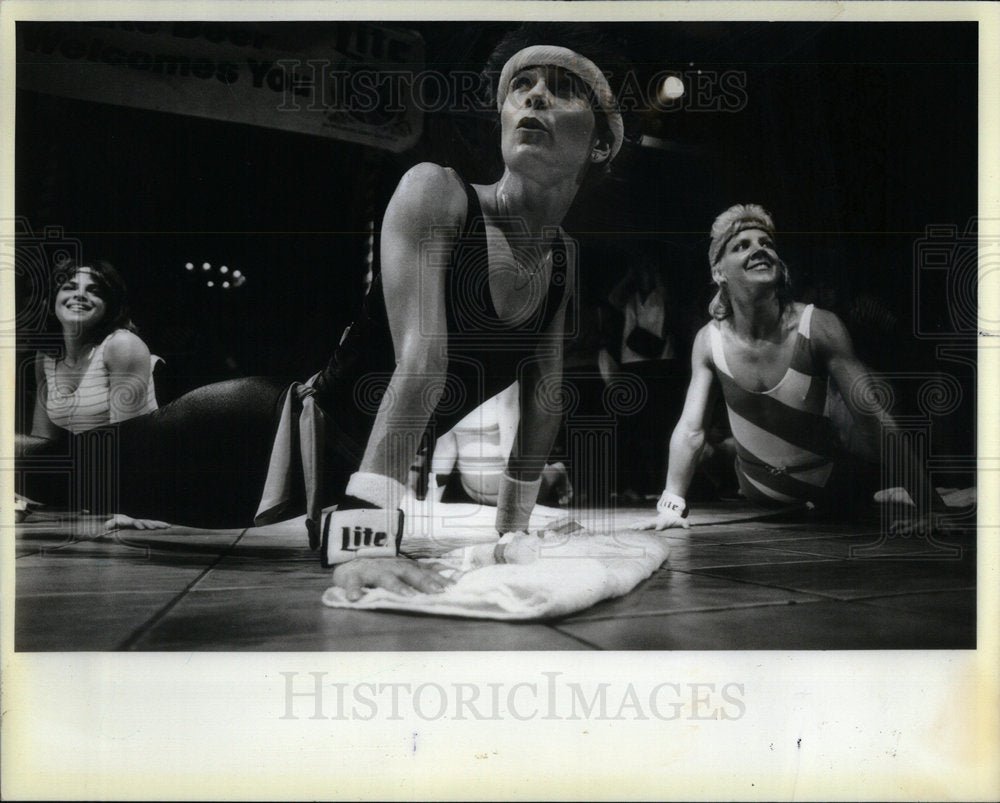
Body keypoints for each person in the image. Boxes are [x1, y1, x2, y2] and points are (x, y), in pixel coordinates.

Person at [17, 27, 627, 599]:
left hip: (336, 481)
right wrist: (367, 531)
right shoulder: (436, 191)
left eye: (565, 87)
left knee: (68, 474)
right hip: (260, 439)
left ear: (602, 141)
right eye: (521, 84)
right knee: (61, 474)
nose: (536, 95)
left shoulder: (562, 261)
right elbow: (422, 362)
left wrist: (512, 535)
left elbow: (545, 398)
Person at [634, 204, 951, 534]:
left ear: (779, 263)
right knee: (719, 449)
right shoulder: (708, 341)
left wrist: (930, 507)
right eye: (742, 246)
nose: (759, 249)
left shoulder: (820, 326)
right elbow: (690, 430)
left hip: (830, 490)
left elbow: (873, 419)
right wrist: (671, 504)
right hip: (755, 490)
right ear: (719, 273)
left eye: (766, 243)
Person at [16, 259, 168, 529]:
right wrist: (22, 494)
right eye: (69, 287)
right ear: (53, 299)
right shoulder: (47, 357)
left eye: (95, 290)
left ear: (109, 305)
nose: (80, 295)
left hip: (145, 477)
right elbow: (43, 445)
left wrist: (133, 506)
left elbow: (130, 439)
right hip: (92, 480)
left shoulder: (122, 345)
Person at [419, 384, 572, 508]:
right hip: (472, 491)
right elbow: (445, 450)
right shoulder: (449, 387)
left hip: (513, 489)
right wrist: (431, 501)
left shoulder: (504, 386)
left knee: (528, 471)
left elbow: (510, 448)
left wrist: (516, 503)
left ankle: (557, 471)